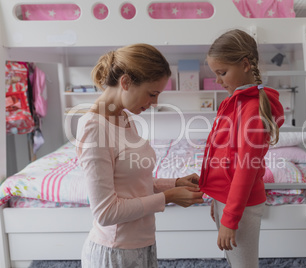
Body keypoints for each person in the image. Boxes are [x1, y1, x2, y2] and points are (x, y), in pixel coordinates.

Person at [75, 43, 204, 268]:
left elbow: (132, 184)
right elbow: (106, 212)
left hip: (141, 242)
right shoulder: (94, 127)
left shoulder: (124, 118)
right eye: (152, 94)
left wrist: (173, 183)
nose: (154, 103)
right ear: (125, 82)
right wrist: (169, 197)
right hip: (115, 251)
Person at [199, 29, 285, 268]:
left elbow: (245, 170)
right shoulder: (234, 102)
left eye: (222, 73)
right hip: (228, 199)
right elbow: (223, 153)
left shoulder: (252, 110)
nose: (218, 81)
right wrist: (217, 199)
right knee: (235, 260)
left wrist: (230, 218)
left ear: (245, 64)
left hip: (241, 204)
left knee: (244, 265)